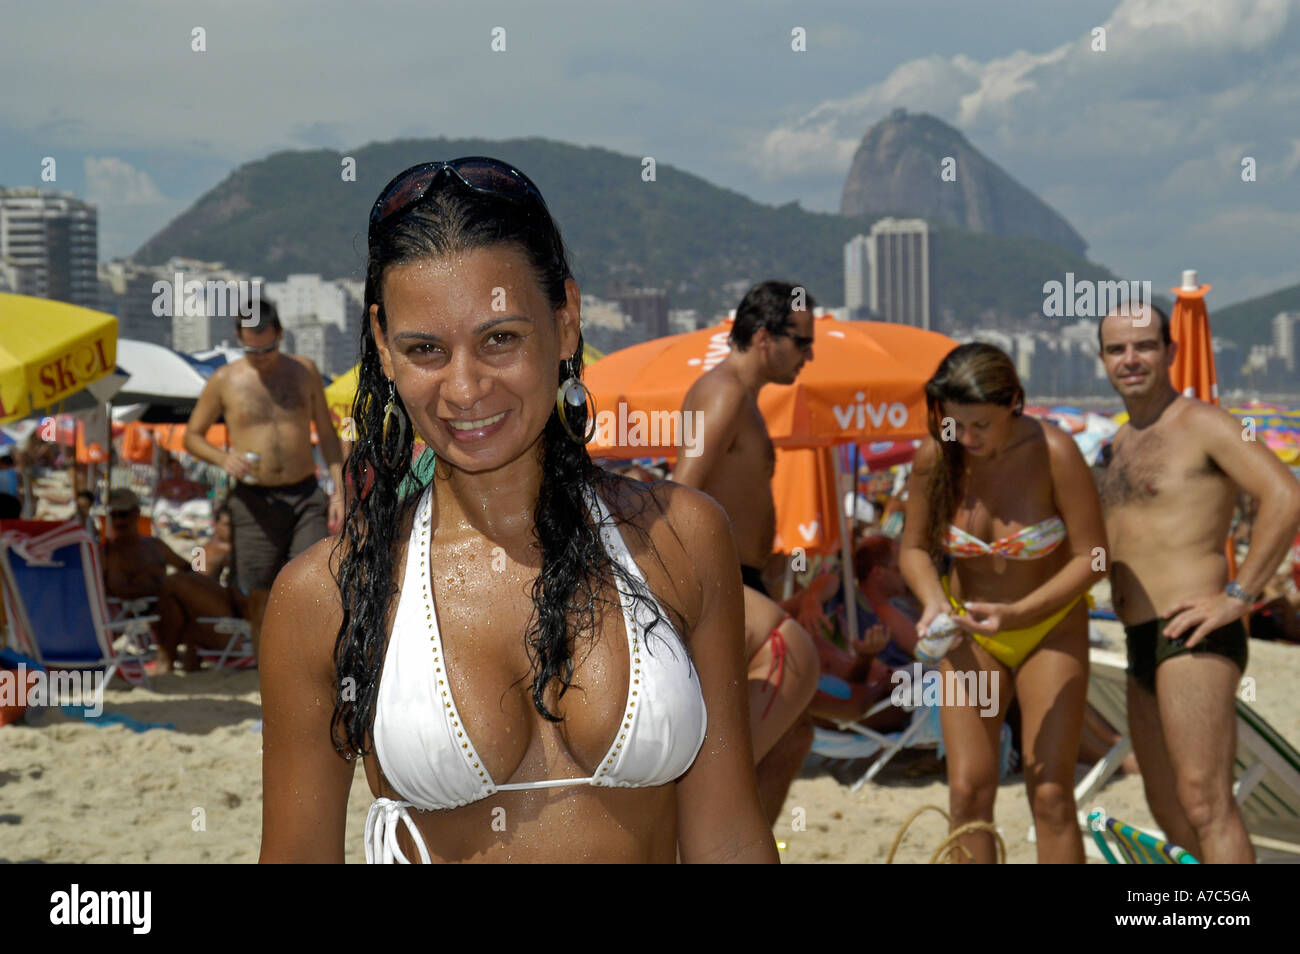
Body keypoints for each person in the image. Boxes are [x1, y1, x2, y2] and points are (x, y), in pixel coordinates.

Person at [258, 157, 775, 864]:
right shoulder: (325, 597)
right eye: (425, 349)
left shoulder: (681, 538)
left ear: (566, 322)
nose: (465, 388)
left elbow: (731, 840)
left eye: (500, 338)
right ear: (382, 346)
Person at [1096, 303, 1300, 863]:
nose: (1130, 359)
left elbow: (1285, 495)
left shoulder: (1202, 424)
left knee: (1206, 804)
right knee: (1167, 806)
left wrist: (1239, 596)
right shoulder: (1117, 445)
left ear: (1171, 351)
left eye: (1144, 345)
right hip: (1138, 636)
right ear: (1103, 360)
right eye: (1117, 349)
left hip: (1193, 632)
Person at [899, 342, 1107, 864]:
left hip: (1048, 628)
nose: (965, 437)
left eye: (980, 425)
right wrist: (932, 601)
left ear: (1014, 401)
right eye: (954, 423)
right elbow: (913, 548)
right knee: (968, 790)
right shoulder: (936, 456)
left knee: (1051, 792)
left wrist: (1019, 613)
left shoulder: (1054, 452)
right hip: (969, 632)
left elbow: (1094, 557)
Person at [671, 280, 821, 825]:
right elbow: (681, 492)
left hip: (746, 578)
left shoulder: (740, 398)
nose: (809, 356)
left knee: (792, 737)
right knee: (736, 749)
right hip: (723, 581)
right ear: (763, 338)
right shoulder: (725, 393)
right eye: (802, 342)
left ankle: (735, 846)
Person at [184, 300, 344, 596]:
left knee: (313, 584)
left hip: (305, 495)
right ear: (238, 338)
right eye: (251, 351)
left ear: (280, 335)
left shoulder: (304, 371)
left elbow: (327, 434)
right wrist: (223, 458)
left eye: (267, 349)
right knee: (255, 593)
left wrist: (339, 490)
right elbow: (192, 437)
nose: (260, 358)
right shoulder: (225, 380)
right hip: (254, 499)